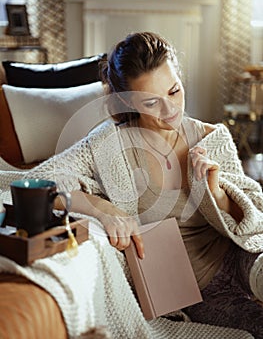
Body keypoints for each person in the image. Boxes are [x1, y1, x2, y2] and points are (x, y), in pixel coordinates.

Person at [23, 32, 263, 338]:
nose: (171, 110)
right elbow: (41, 182)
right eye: (151, 102)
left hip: (243, 254)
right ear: (126, 101)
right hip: (195, 289)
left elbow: (255, 215)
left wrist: (217, 192)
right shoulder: (108, 145)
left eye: (174, 91)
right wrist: (105, 209)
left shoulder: (211, 137)